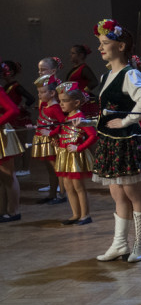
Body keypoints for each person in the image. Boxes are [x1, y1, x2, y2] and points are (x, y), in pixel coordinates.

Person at [91, 19, 141, 263]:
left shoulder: (131, 74)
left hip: (126, 140)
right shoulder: (107, 74)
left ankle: (140, 243)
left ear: (121, 46)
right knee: (117, 193)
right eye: (100, 44)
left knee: (133, 193)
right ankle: (120, 243)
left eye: (105, 43)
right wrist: (89, 123)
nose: (101, 48)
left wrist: (126, 121)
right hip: (110, 141)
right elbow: (108, 110)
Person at [54, 82, 96, 225]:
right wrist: (57, 143)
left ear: (76, 102)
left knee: (78, 187)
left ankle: (85, 215)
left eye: (64, 101)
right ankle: (75, 214)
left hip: (75, 158)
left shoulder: (80, 118)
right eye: (60, 101)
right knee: (68, 186)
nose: (61, 104)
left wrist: (79, 148)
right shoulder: (67, 118)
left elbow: (93, 136)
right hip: (65, 155)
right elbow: (65, 135)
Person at [31, 72, 65, 204]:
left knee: (57, 170)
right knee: (51, 170)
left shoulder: (55, 108)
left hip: (52, 142)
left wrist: (50, 133)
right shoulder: (45, 106)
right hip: (43, 140)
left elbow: (63, 125)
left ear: (52, 93)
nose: (39, 95)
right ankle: (52, 194)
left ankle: (61, 195)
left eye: (42, 92)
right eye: (39, 92)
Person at [1, 60, 32, 177]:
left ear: (11, 72)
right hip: (9, 118)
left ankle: (25, 168)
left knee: (23, 144)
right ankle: (17, 168)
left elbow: (31, 98)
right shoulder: (5, 86)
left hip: (18, 118)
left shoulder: (16, 86)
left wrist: (22, 107)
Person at [0, 84, 24, 223]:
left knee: (8, 175)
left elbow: (13, 110)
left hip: (2, 134)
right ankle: (2, 211)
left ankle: (14, 211)